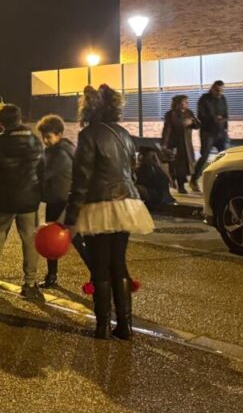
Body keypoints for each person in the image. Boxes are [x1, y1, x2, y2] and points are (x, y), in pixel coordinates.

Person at [67, 85, 155, 340]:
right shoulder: (124, 134)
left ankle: (103, 325)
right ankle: (125, 325)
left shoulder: (88, 135)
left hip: (99, 203)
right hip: (127, 203)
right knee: (118, 262)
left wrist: (71, 215)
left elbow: (82, 177)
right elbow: (131, 170)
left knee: (100, 266)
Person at [0, 105, 45, 299]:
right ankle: (29, 283)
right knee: (29, 239)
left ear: (1, 121)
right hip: (28, 199)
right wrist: (41, 194)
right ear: (19, 118)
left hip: (4, 199)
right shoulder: (34, 141)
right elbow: (42, 170)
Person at [36, 114, 87, 289]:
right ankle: (52, 276)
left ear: (59, 135)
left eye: (48, 137)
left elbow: (45, 174)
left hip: (61, 202)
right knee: (54, 241)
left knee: (72, 240)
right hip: (58, 200)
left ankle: (97, 274)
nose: (45, 141)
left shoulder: (60, 154)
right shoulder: (60, 150)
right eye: (43, 137)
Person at [191, 80, 228, 192]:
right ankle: (194, 179)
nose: (219, 93)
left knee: (224, 155)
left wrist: (225, 127)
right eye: (217, 90)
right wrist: (214, 119)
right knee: (205, 156)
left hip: (220, 132)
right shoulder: (204, 99)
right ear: (212, 88)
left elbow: (226, 114)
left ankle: (222, 179)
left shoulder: (223, 99)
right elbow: (200, 116)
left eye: (221, 90)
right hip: (207, 132)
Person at [160, 95, 199, 194]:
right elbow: (167, 130)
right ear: (178, 104)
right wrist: (164, 144)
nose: (187, 103)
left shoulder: (189, 113)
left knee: (187, 166)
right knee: (179, 166)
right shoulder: (171, 114)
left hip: (187, 144)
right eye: (184, 102)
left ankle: (180, 180)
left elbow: (198, 125)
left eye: (187, 101)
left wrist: (192, 121)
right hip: (176, 144)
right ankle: (180, 186)